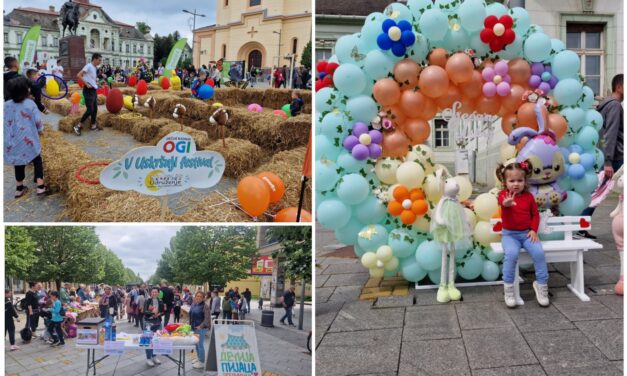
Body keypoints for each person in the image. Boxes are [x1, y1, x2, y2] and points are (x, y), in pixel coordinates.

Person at [496, 162, 549, 308]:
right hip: (510, 235)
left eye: (519, 180)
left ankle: (541, 284)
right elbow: (503, 203)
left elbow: (535, 215)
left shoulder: (529, 197)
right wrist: (506, 203)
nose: (516, 184)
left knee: (539, 252)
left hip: (526, 234)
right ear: (505, 182)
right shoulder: (503, 195)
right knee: (511, 255)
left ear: (525, 181)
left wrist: (533, 229)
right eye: (511, 181)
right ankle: (508, 288)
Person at [579, 74, 624, 239]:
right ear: (619, 87)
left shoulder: (604, 105)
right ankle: (578, 227)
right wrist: (608, 161)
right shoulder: (615, 106)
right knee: (597, 193)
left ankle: (579, 227)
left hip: (607, 156)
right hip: (615, 157)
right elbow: (610, 135)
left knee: (596, 193)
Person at [4, 76, 48, 198]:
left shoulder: (6, 105)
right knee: (37, 160)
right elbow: (38, 122)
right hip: (29, 140)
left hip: (12, 141)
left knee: (18, 162)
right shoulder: (30, 104)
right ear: (25, 91)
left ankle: (19, 188)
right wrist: (40, 131)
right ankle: (40, 186)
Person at [74, 53, 102, 135]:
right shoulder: (88, 66)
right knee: (90, 110)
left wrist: (97, 84)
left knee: (95, 109)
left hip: (93, 90)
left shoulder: (94, 68)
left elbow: (91, 79)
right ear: (95, 59)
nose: (100, 62)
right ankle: (78, 126)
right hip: (88, 90)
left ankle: (93, 126)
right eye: (99, 60)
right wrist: (86, 84)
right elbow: (78, 75)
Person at [190, 291, 211, 369]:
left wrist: (200, 326)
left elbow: (207, 319)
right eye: (197, 296)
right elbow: (191, 315)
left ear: (203, 298)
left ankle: (201, 362)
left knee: (200, 345)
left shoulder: (205, 306)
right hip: (194, 327)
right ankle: (198, 358)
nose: (198, 297)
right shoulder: (194, 304)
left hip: (201, 328)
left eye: (200, 296)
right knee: (196, 344)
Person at [144, 287, 164, 367]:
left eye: (156, 292)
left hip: (158, 322)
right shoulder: (147, 301)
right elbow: (145, 312)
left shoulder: (160, 301)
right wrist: (152, 313)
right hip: (148, 322)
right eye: (153, 292)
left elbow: (163, 311)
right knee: (148, 340)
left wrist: (159, 314)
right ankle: (148, 358)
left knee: (157, 340)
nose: (154, 293)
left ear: (158, 293)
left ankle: (154, 356)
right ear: (150, 293)